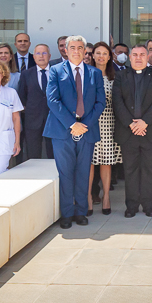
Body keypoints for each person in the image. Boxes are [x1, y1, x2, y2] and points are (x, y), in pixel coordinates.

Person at [45, 36, 105, 227]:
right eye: (73, 47)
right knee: (65, 173)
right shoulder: (55, 71)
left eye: (80, 47)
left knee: (83, 172)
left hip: (87, 130)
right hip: (62, 130)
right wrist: (72, 124)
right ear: (66, 50)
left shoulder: (94, 73)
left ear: (85, 50)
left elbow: (100, 102)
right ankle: (66, 214)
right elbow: (52, 100)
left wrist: (84, 124)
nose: (77, 51)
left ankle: (80, 212)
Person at [114, 44, 152, 217]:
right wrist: (131, 124)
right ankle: (131, 206)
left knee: (149, 170)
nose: (138, 58)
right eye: (135, 54)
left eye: (142, 54)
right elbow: (118, 102)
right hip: (128, 133)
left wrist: (144, 122)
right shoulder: (121, 76)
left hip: (151, 131)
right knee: (130, 171)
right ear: (129, 57)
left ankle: (149, 205)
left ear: (147, 57)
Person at [89, 42, 120, 215]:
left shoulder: (115, 77)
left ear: (110, 57)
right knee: (89, 163)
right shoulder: (86, 75)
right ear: (93, 55)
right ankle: (88, 198)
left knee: (106, 162)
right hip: (90, 124)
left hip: (109, 123)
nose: (101, 56)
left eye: (105, 53)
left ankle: (106, 196)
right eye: (98, 53)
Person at [17, 43, 53, 161]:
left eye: (44, 53)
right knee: (33, 154)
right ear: (34, 57)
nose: (41, 56)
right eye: (38, 53)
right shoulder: (26, 74)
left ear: (49, 56)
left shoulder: (56, 72)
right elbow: (22, 96)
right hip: (32, 120)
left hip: (53, 119)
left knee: (53, 153)